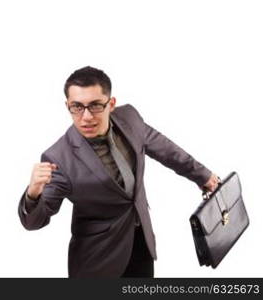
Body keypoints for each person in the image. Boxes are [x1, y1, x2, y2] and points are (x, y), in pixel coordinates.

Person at [18, 66, 221, 278]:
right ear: (67, 106)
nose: (86, 117)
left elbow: (166, 150)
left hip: (141, 242)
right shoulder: (59, 158)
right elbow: (34, 222)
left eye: (95, 106)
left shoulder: (130, 119)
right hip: (97, 260)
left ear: (111, 104)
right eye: (76, 107)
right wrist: (33, 193)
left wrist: (203, 175)